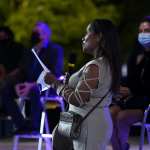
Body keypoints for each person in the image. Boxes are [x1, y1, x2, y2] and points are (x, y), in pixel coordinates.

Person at [44, 19, 121, 150]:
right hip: (89, 123)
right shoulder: (106, 64)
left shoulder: (95, 66)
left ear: (98, 37)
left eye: (87, 33)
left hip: (88, 127)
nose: (83, 38)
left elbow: (79, 99)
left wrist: (55, 83)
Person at [0, 21, 64, 133]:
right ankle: (22, 125)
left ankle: (34, 126)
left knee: (34, 89)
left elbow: (55, 73)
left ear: (46, 34)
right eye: (33, 33)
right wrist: (17, 84)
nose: (34, 35)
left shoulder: (55, 49)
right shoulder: (29, 51)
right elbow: (22, 71)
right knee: (6, 90)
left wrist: (33, 85)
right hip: (28, 87)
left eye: (37, 33)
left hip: (47, 87)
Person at [110, 16, 150, 150]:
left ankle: (121, 147)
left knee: (122, 117)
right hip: (132, 100)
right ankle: (121, 147)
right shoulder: (136, 55)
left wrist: (132, 90)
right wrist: (120, 88)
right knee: (108, 114)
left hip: (146, 103)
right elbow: (129, 80)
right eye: (141, 31)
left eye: (147, 30)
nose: (143, 34)